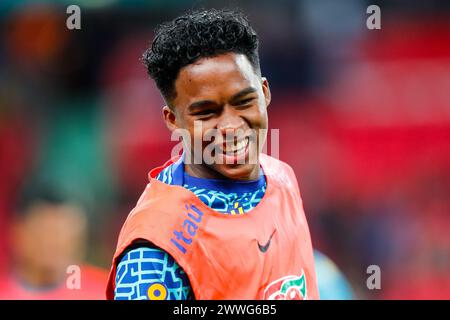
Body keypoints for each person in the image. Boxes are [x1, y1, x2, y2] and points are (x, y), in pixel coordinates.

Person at [106, 8, 319, 300]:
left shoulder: (283, 178)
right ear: (173, 120)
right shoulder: (156, 248)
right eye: (206, 113)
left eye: (244, 102)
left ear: (265, 92)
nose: (231, 126)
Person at [0, 187, 108, 300]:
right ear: (19, 233)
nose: (54, 243)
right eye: (47, 232)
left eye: (63, 233)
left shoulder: (106, 291)